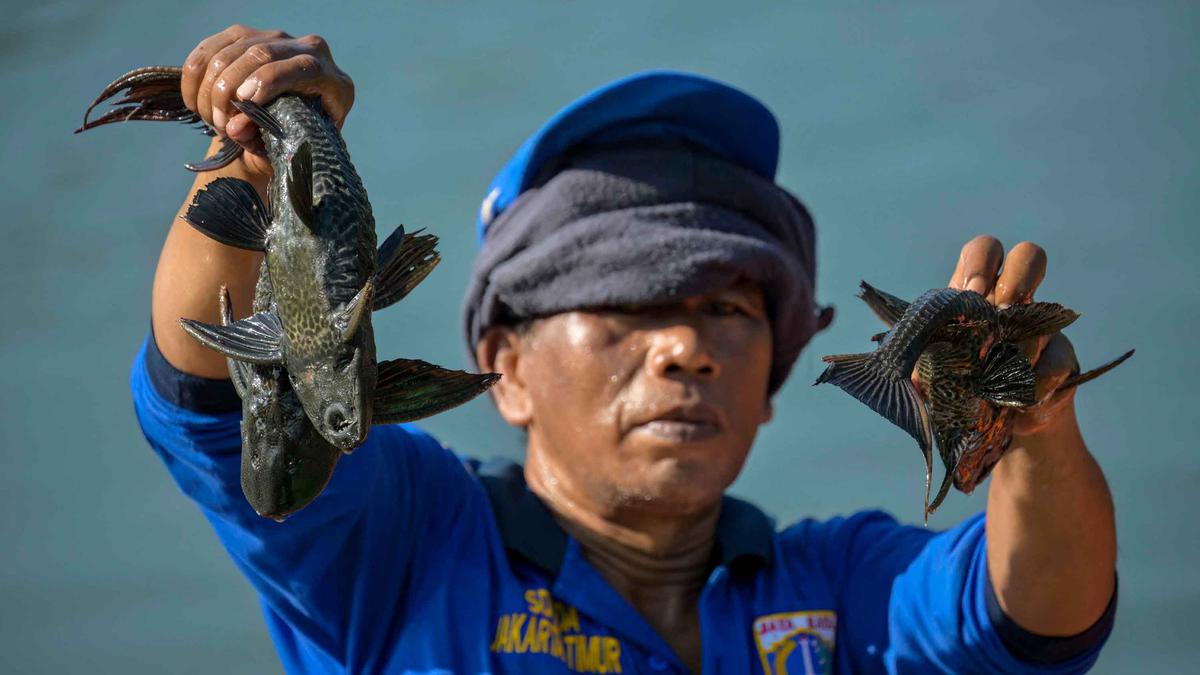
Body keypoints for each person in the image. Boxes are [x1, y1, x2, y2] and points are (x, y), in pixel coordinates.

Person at [134, 24, 1117, 674]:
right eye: (624, 308)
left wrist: (1036, 430)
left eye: (729, 309)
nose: (684, 346)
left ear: (774, 376)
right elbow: (212, 398)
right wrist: (257, 153)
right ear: (508, 369)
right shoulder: (407, 537)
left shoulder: (842, 587)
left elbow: (1034, 617)